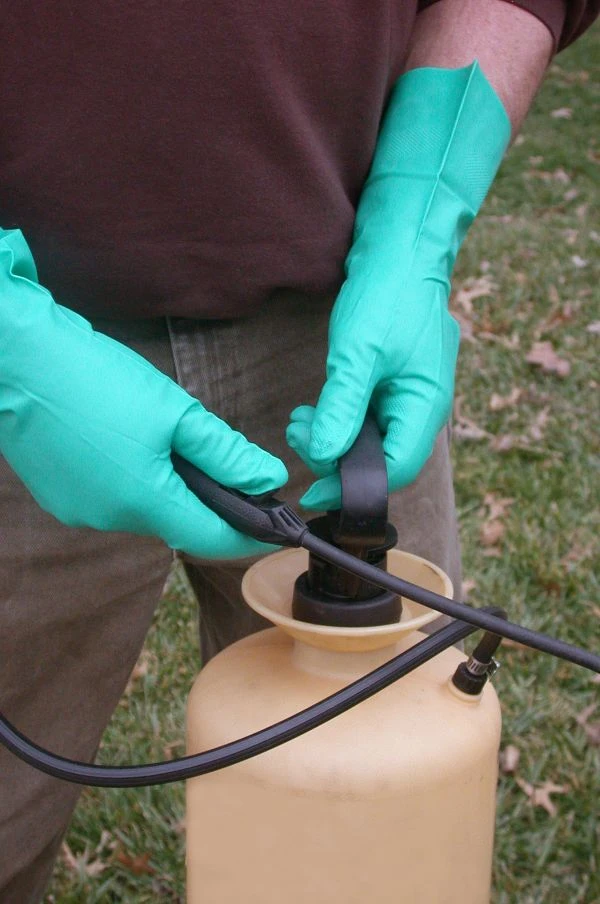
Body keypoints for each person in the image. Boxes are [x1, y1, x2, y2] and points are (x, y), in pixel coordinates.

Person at [0, 0, 597, 899]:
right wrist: (12, 350)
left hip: (338, 335)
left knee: (381, 837)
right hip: (32, 350)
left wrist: (421, 212)